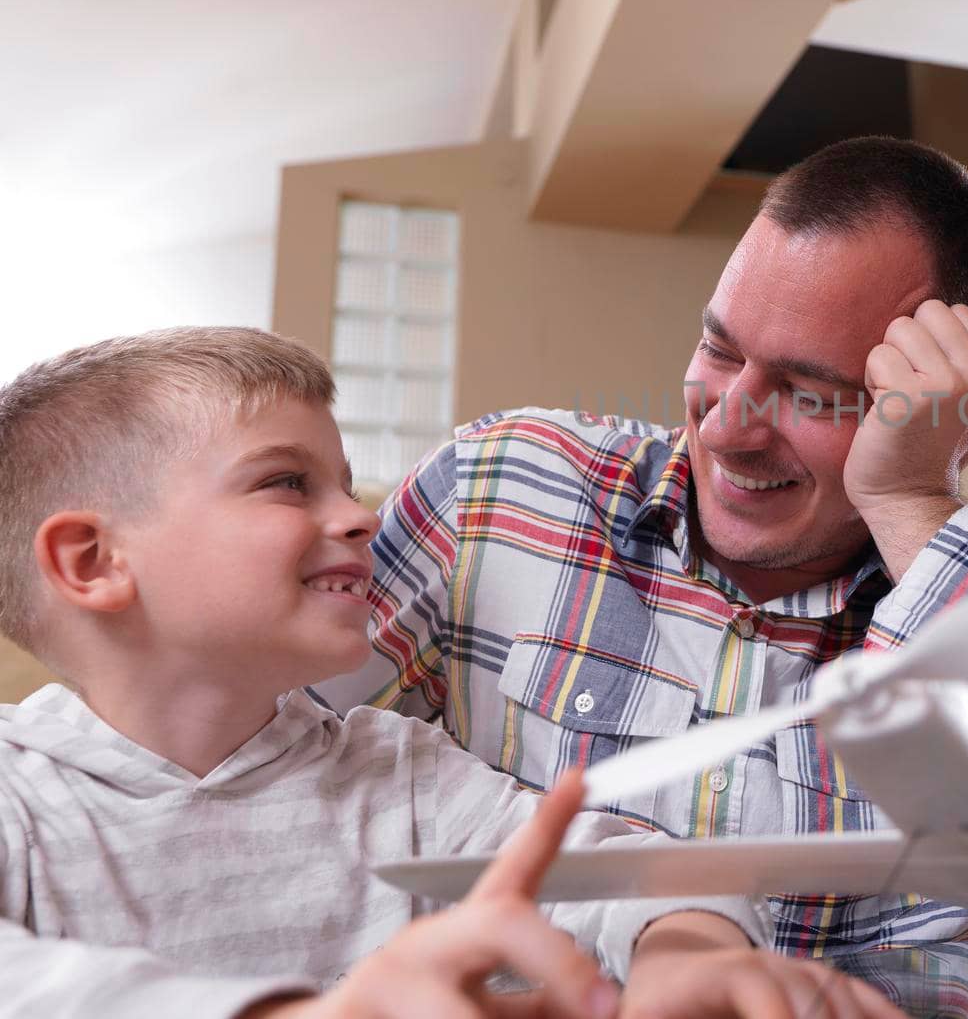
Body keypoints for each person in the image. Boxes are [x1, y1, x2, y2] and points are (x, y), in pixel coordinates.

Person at [319, 136, 968, 955]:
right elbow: (252, 744)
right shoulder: (505, 484)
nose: (729, 427)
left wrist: (912, 503)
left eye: (813, 392)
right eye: (721, 351)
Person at [0, 328, 905, 1019]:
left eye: (345, 484)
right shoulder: (21, 797)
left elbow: (624, 869)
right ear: (92, 562)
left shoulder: (398, 773)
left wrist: (688, 950)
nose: (358, 517)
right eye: (285, 482)